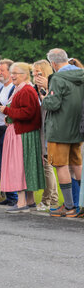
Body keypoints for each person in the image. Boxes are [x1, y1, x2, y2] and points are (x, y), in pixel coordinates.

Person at [40, 48, 84, 217]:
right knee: (77, 164)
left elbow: (54, 104)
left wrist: (45, 97)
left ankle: (69, 205)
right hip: (77, 127)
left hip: (59, 128)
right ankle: (81, 204)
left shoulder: (57, 77)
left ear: (53, 63)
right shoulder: (81, 74)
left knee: (61, 165)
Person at [0, 62, 44, 213]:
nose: (12, 76)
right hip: (20, 132)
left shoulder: (26, 90)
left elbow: (27, 113)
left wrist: (6, 111)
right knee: (23, 165)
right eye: (11, 73)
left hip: (22, 133)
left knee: (19, 166)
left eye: (16, 73)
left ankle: (22, 202)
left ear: (25, 75)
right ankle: (29, 201)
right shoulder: (21, 89)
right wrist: (9, 117)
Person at [32, 59, 58, 211]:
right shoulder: (35, 88)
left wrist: (46, 91)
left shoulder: (52, 87)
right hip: (40, 129)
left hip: (50, 129)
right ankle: (52, 198)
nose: (36, 77)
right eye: (34, 74)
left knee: (47, 163)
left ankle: (48, 199)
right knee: (45, 164)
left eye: (39, 73)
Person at [0, 59, 17, 206]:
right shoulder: (3, 87)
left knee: (9, 163)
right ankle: (9, 195)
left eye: (2, 70)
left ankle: (14, 196)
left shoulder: (12, 88)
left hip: (7, 129)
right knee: (2, 163)